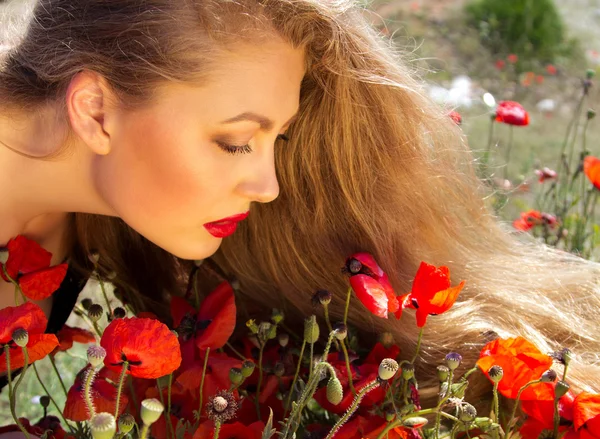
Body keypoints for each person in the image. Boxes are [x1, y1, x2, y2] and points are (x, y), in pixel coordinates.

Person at [0, 0, 599, 414]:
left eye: (276, 140)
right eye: (234, 141)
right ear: (96, 111)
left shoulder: (84, 217)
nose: (268, 187)